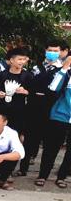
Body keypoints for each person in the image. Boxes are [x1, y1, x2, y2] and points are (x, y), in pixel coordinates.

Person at [22, 42, 65, 175]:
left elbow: (58, 89)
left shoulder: (63, 69)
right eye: (50, 49)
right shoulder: (36, 67)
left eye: (55, 50)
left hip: (51, 109)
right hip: (33, 108)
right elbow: (30, 84)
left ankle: (44, 172)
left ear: (60, 52)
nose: (52, 52)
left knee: (49, 143)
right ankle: (23, 169)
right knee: (29, 140)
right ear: (45, 50)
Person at [35, 54, 71, 188]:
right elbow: (52, 88)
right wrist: (65, 68)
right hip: (59, 115)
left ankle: (62, 177)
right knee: (51, 147)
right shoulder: (64, 73)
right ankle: (43, 175)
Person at [0, 47, 31, 134]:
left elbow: (32, 92)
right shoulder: (1, 75)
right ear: (11, 60)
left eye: (24, 59)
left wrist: (25, 91)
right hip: (2, 111)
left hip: (19, 112)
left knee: (15, 136)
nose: (22, 62)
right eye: (19, 59)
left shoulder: (27, 76)